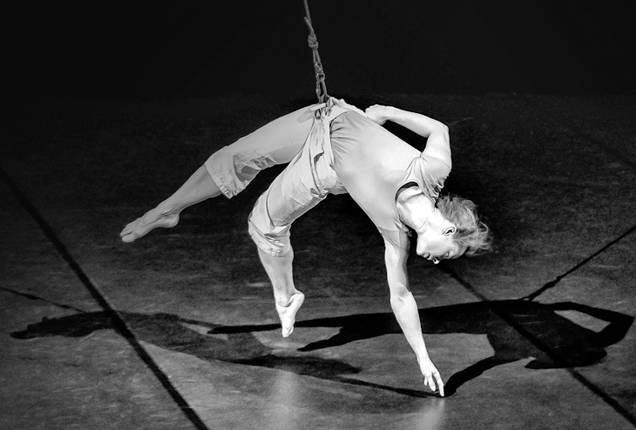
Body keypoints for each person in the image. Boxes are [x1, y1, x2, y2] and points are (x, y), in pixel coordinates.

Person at [120, 98, 492, 396]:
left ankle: (286, 297)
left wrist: (423, 358)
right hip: (326, 117)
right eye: (448, 256)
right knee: (234, 156)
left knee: (263, 225)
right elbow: (438, 129)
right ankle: (167, 210)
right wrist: (387, 112)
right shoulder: (433, 170)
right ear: (448, 230)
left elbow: (401, 296)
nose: (438, 262)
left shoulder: (395, 234)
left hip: (323, 167)